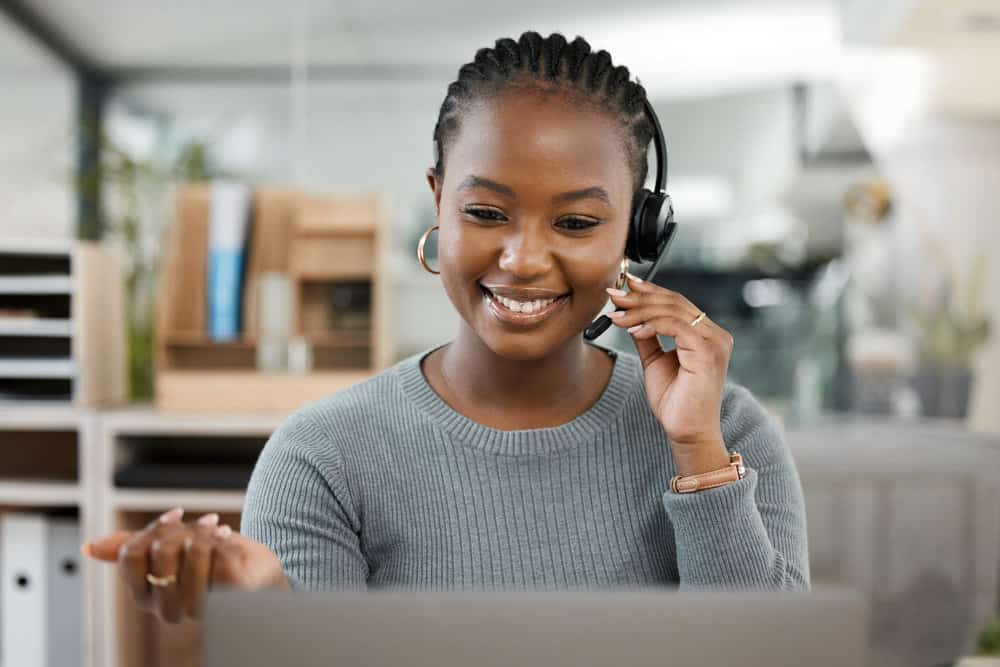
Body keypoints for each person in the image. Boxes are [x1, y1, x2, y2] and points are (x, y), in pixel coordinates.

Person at [83, 31, 809, 624]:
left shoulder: (730, 433)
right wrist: (272, 612)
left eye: (578, 222)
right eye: (486, 213)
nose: (523, 258)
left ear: (637, 234)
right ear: (438, 203)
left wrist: (698, 456)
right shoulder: (321, 457)